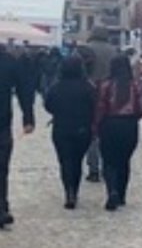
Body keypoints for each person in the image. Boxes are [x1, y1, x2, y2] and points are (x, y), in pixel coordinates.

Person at [43, 56, 97, 209]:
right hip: (82, 128)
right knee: (77, 161)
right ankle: (75, 189)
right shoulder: (88, 87)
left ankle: (69, 191)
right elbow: (95, 105)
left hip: (61, 128)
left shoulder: (56, 86)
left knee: (65, 160)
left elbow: (48, 105)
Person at [95, 54, 142, 211]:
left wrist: (96, 125)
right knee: (124, 160)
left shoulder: (106, 85)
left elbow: (100, 107)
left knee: (109, 161)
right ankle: (122, 195)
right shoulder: (136, 85)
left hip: (110, 125)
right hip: (129, 126)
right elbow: (141, 109)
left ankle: (112, 190)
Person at [0, 43, 35, 227]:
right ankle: (1, 207)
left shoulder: (8, 62)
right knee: (1, 167)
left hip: (3, 122)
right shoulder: (9, 62)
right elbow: (24, 89)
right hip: (2, 120)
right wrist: (28, 117)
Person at [80, 26, 114, 182]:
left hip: (89, 94)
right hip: (110, 95)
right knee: (106, 132)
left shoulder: (85, 49)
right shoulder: (113, 51)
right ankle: (107, 166)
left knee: (92, 132)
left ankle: (93, 168)